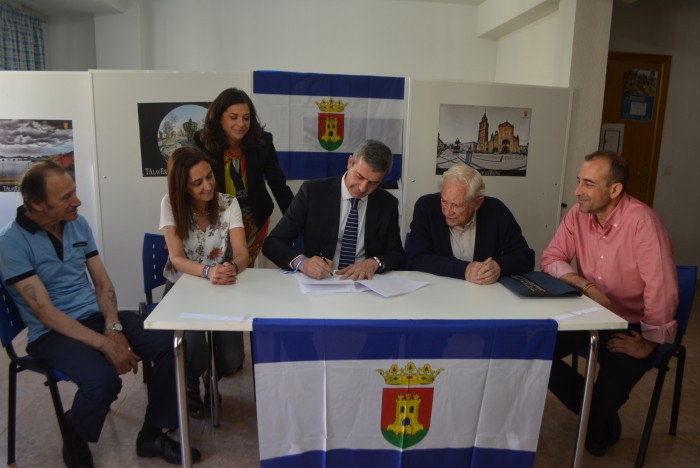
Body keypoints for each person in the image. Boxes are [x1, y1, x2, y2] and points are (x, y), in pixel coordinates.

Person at [0, 161, 201, 467]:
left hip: (96, 317)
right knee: (104, 381)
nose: (77, 202)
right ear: (38, 204)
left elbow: (102, 281)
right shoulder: (10, 243)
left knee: (169, 344)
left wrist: (113, 326)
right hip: (52, 333)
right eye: (66, 197)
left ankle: (151, 435)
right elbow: (46, 313)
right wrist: (107, 344)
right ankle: (75, 432)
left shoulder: (77, 224)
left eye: (75, 192)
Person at [541, 150, 678, 457]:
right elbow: (551, 259)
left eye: (588, 184)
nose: (577, 191)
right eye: (578, 181)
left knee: (597, 430)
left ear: (614, 190)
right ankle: (597, 413)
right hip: (592, 315)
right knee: (534, 350)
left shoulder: (643, 223)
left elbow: (662, 288)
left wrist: (649, 342)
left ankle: (597, 416)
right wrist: (586, 285)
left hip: (633, 326)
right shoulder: (578, 215)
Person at [160, 146, 249, 418]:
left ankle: (213, 377)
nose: (208, 186)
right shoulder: (170, 204)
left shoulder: (228, 203)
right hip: (182, 286)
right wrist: (208, 271)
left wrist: (230, 268)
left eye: (209, 176)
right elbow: (176, 258)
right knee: (193, 344)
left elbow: (243, 253)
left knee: (233, 355)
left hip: (222, 285)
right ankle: (191, 385)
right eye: (197, 183)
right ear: (183, 187)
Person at [262, 139, 404, 280]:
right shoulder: (313, 193)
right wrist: (303, 263)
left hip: (363, 285)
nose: (362, 188)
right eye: (359, 176)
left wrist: (374, 263)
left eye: (373, 183)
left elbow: (396, 255)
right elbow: (272, 244)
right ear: (350, 162)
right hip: (320, 283)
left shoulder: (387, 204)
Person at [195, 87, 294, 266]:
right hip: (215, 220)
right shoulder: (201, 142)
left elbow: (278, 185)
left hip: (252, 221)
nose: (241, 124)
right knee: (218, 272)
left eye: (246, 118)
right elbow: (190, 187)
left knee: (242, 271)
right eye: (233, 117)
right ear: (218, 118)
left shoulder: (263, 142)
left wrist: (299, 221)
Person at [408, 163, 534, 284]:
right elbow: (416, 257)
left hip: (483, 297)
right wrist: (464, 269)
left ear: (477, 203)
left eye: (456, 205)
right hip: (437, 293)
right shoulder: (426, 207)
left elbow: (525, 257)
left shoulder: (496, 211)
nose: (448, 211)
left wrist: (499, 266)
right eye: (444, 201)